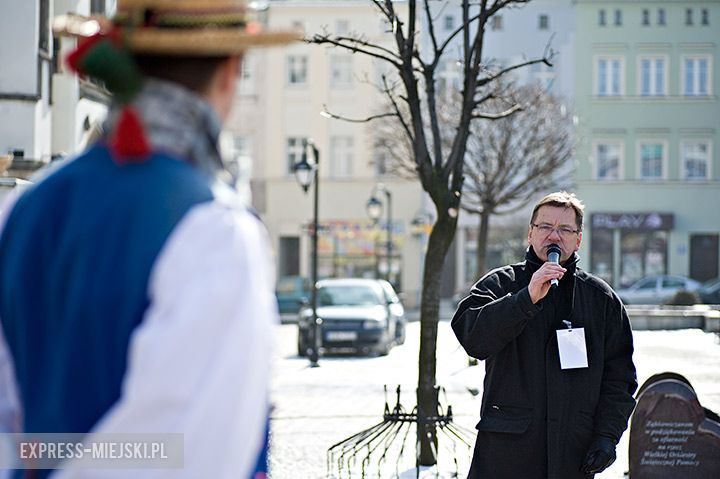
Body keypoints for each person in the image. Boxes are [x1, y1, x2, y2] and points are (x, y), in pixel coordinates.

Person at [0, 1, 298, 478]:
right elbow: (189, 455)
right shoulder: (215, 229)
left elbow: (11, 432)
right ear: (230, 71)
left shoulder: (24, 209)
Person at [451, 191, 637, 479]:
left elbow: (619, 379)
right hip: (506, 454)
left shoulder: (600, 299)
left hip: (572, 454)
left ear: (578, 240)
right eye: (546, 227)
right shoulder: (501, 284)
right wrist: (524, 299)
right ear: (530, 234)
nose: (554, 236)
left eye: (565, 229)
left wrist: (606, 436)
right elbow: (473, 338)